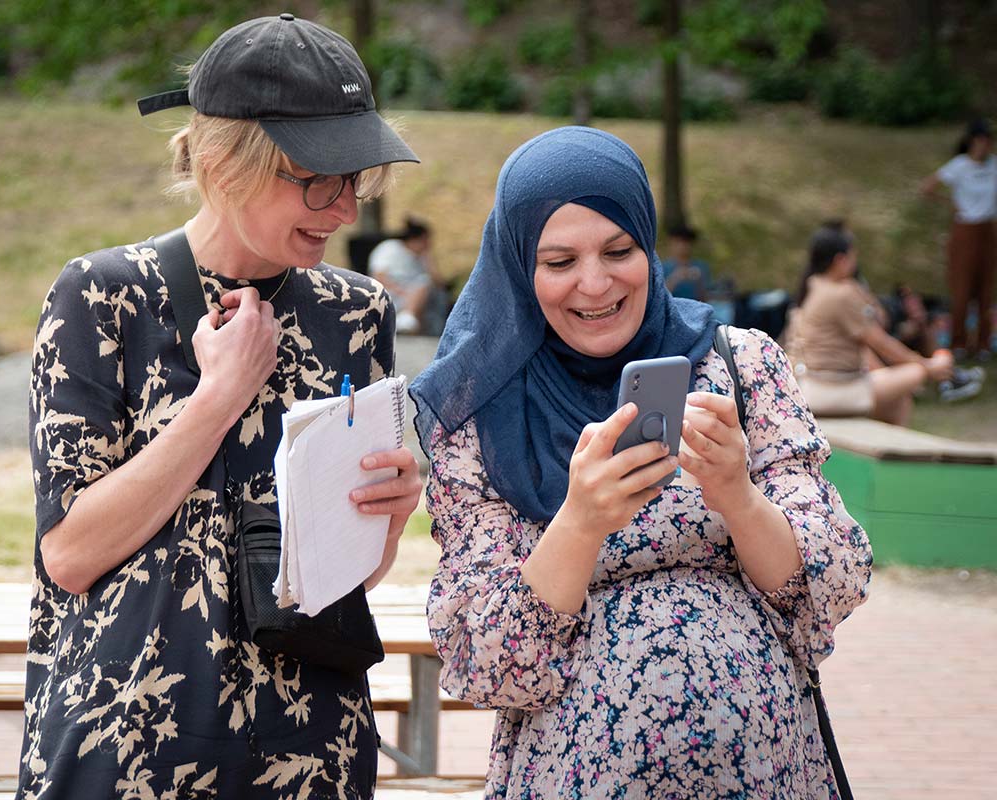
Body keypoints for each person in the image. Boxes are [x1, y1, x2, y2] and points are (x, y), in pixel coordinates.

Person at [20, 15, 423, 798]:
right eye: (316, 179)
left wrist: (391, 513)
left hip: (311, 744)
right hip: (129, 743)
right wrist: (219, 398)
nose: (342, 210)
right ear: (220, 162)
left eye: (356, 180)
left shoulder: (357, 310)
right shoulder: (102, 297)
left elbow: (350, 578)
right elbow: (69, 556)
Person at [409, 127, 872, 798]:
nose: (594, 285)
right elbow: (486, 659)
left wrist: (739, 498)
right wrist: (579, 521)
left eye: (619, 250)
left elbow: (828, 586)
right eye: (559, 261)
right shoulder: (481, 411)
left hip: (766, 767)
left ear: (648, 246)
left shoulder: (740, 363)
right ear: (517, 265)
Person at [784, 221, 969, 424]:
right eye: (854, 254)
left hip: (812, 382)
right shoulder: (840, 294)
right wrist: (928, 366)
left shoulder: (815, 285)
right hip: (832, 388)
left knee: (899, 397)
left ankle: (891, 444)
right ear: (840, 260)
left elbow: (878, 323)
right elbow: (880, 341)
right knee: (914, 373)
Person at [921, 118, 996, 359]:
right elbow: (928, 187)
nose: (986, 145)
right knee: (962, 288)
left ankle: (983, 342)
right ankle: (959, 342)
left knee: (985, 288)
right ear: (973, 141)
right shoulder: (960, 166)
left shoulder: (994, 165)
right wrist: (951, 204)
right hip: (965, 228)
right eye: (982, 140)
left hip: (988, 228)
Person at [368, 216, 449, 335]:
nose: (428, 245)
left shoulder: (421, 257)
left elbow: (439, 284)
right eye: (426, 240)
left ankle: (409, 320)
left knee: (425, 281)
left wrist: (428, 258)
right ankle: (407, 317)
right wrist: (402, 292)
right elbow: (379, 276)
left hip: (415, 296)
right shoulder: (391, 248)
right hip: (391, 292)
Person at [660, 224, 711, 301]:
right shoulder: (662, 267)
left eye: (686, 242)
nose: (683, 246)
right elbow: (658, 297)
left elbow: (707, 299)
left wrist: (698, 281)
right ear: (671, 243)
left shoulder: (701, 267)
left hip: (696, 309)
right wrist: (675, 278)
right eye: (678, 241)